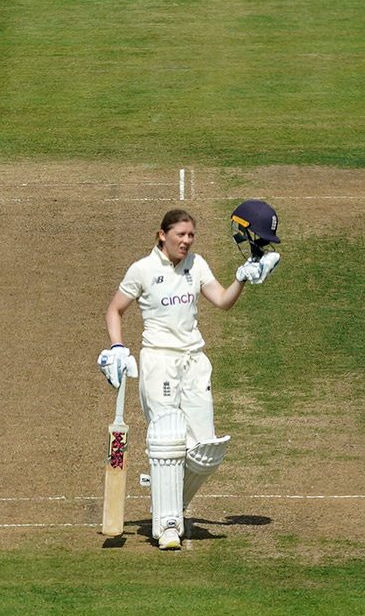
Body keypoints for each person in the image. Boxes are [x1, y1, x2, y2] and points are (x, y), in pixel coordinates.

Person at [102, 203, 280, 550]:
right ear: (162, 235)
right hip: (160, 362)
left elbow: (223, 301)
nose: (186, 241)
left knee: (205, 451)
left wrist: (242, 276)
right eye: (180, 235)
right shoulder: (142, 270)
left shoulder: (197, 265)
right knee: (168, 440)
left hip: (195, 362)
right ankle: (167, 525)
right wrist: (118, 347)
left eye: (191, 235)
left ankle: (167, 504)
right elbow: (114, 309)